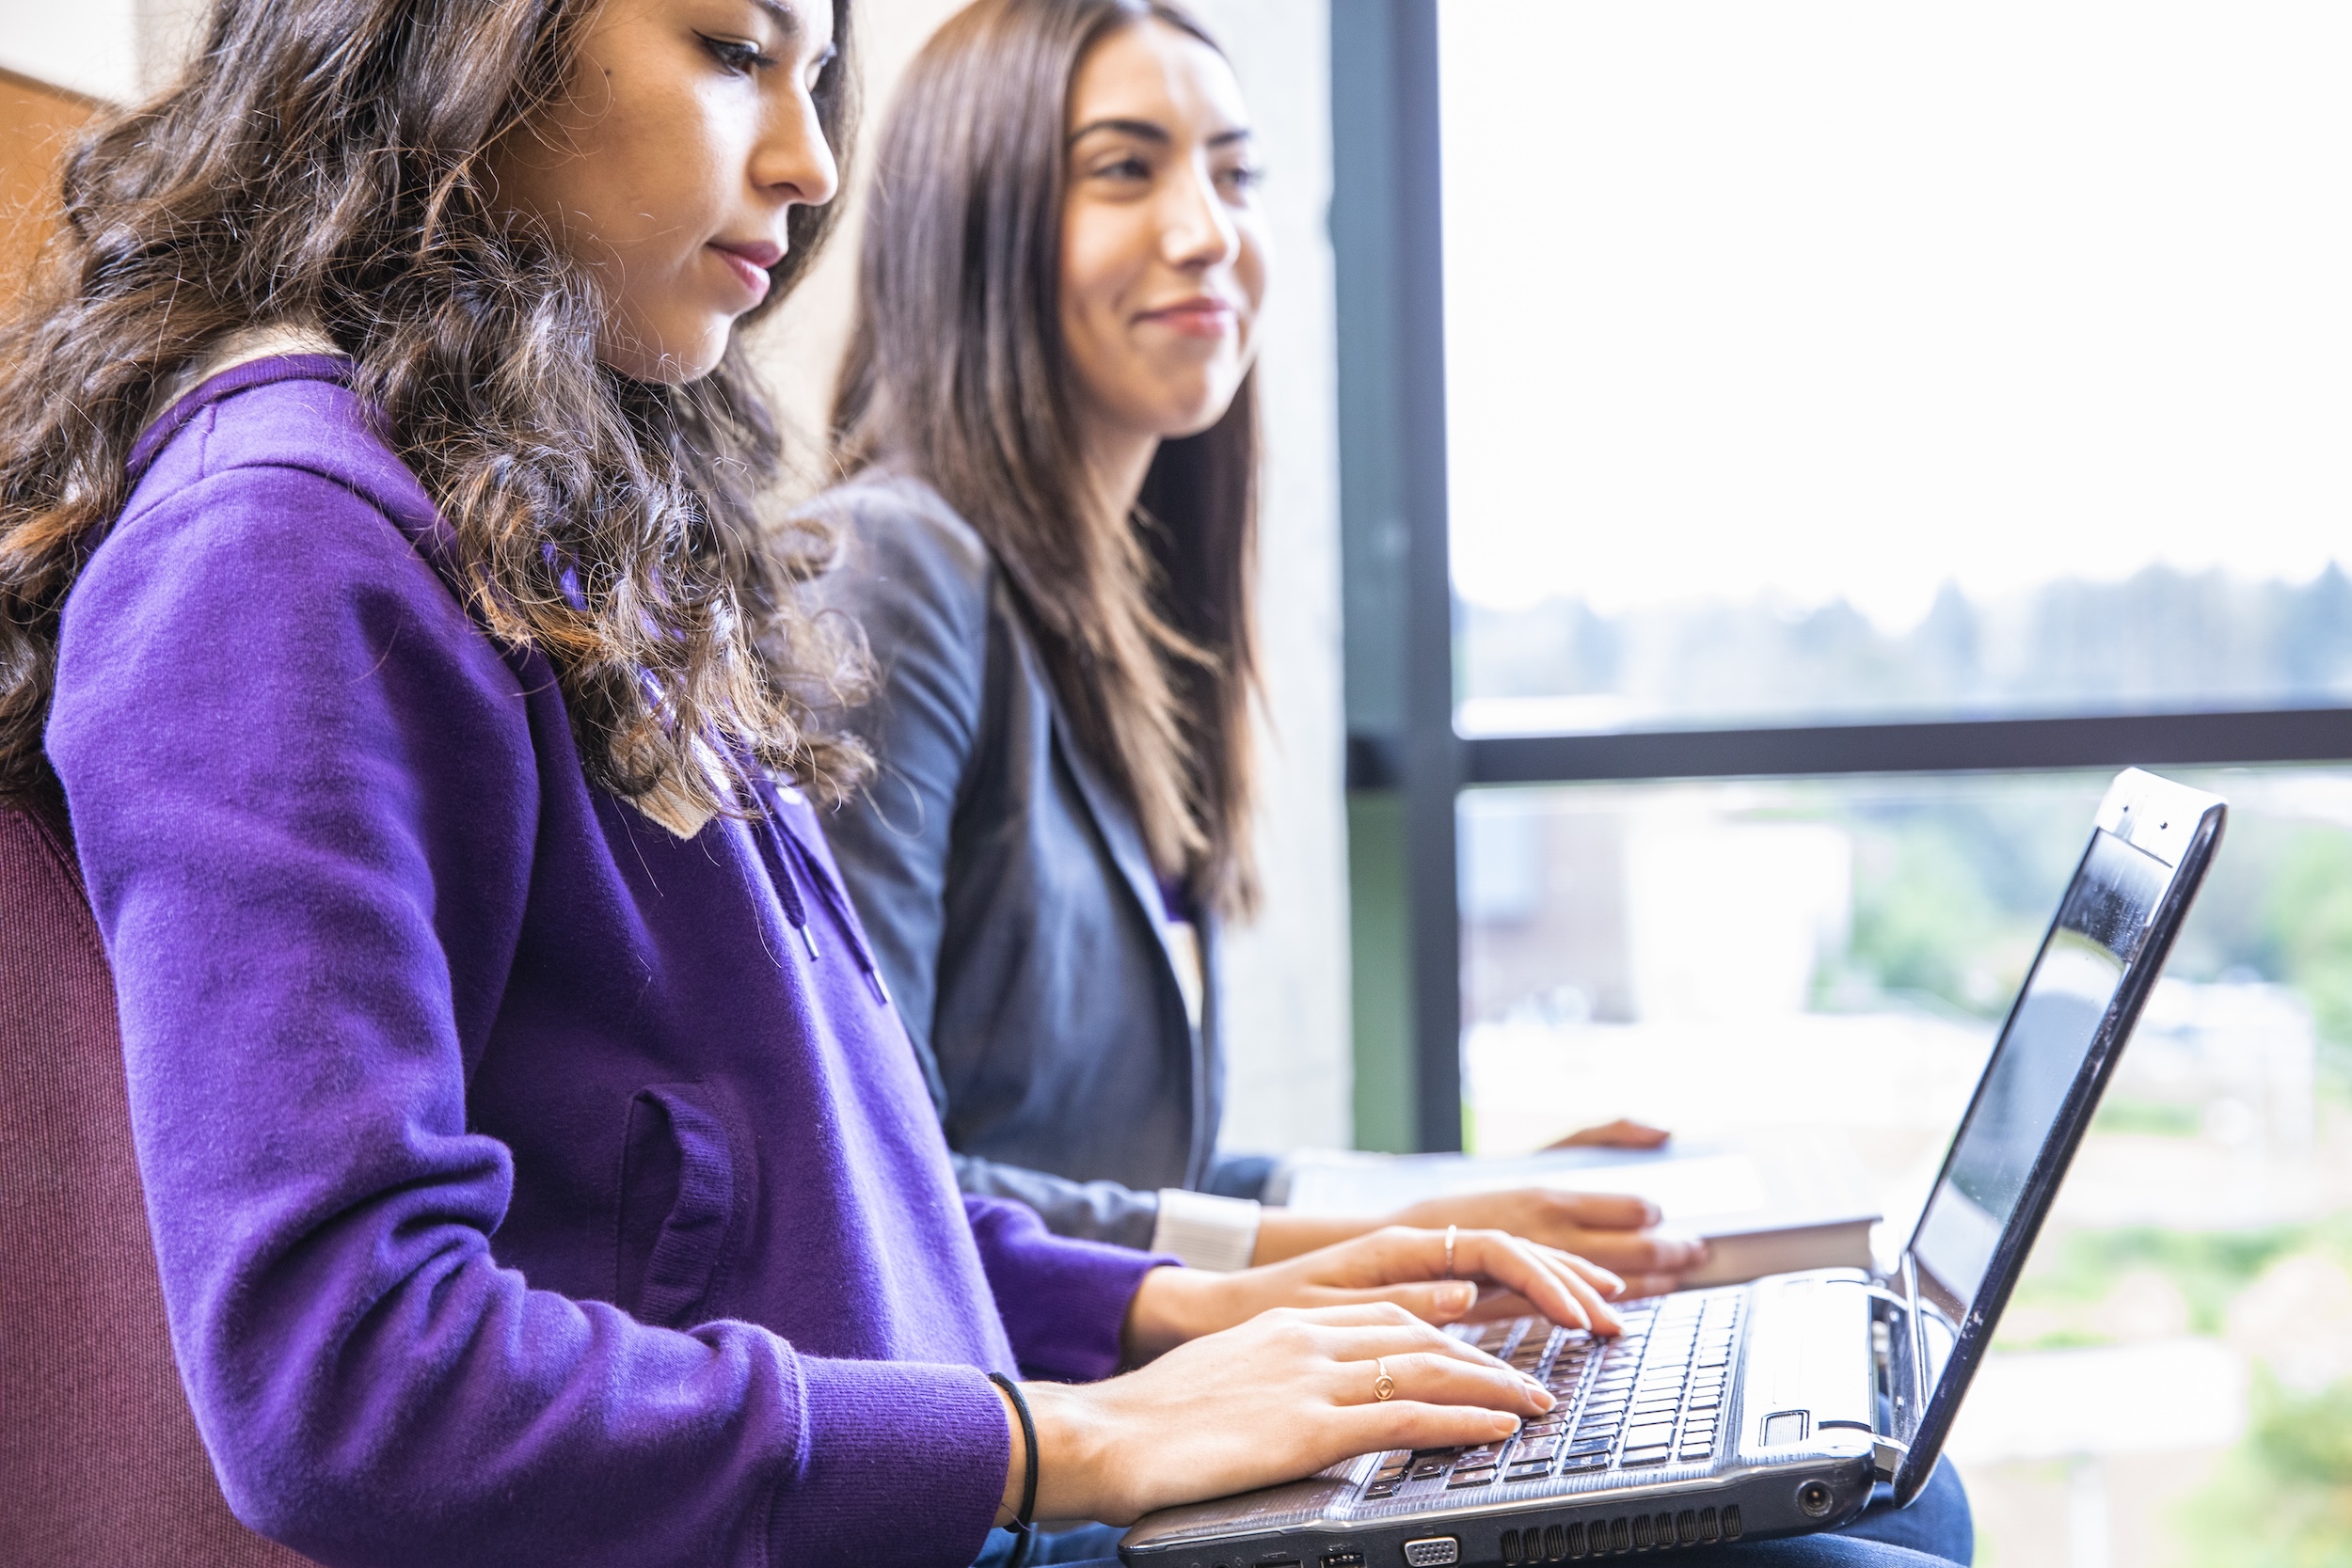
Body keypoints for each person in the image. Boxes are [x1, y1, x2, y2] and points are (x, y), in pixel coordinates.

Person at [0, 1, 1644, 1564]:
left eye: (818, 74)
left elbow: (798, 1211)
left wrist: (1162, 1308)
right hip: (943, 1510)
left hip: (963, 1495)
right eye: (731, 52)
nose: (813, 160)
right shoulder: (275, 551)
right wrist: (1058, 1440)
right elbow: (345, 1389)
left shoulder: (520, 505)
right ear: (464, 44)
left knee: (1842, 1502)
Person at [806, 0, 1700, 1289]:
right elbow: (872, 1186)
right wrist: (1386, 1251)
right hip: (1044, 1460)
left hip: (1165, 1410)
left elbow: (1152, 1181)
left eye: (1236, 174)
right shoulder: (889, 571)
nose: (1207, 232)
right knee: (1895, 1500)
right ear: (974, 216)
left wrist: (1470, 1201)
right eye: (1125, 168)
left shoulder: (1133, 614)